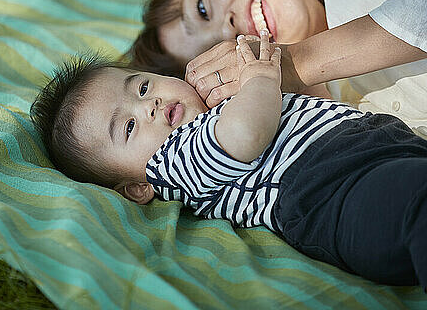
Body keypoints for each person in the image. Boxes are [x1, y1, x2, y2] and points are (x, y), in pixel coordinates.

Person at [30, 31, 427, 288]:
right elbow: (245, 135)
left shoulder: (217, 109)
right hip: (333, 192)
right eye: (128, 128)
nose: (148, 106)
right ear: (138, 187)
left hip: (380, 152)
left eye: (142, 86)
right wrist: (260, 77)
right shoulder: (171, 163)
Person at [129, 0, 427, 139]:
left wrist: (296, 61)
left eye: (203, 9)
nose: (226, 32)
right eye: (214, 52)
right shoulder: (327, 122)